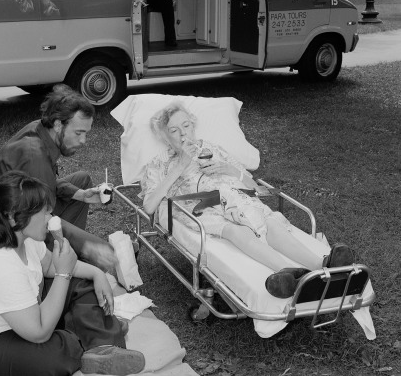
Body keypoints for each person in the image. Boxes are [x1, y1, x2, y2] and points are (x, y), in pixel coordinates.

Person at [0, 171, 145, 376]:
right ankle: (87, 337)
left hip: (23, 318)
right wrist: (63, 273)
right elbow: (38, 333)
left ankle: (103, 345)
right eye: (44, 213)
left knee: (83, 283)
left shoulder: (23, 236)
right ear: (13, 215)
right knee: (56, 354)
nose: (51, 218)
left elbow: (47, 264)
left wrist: (97, 273)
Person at [140, 103, 354, 299]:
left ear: (193, 125)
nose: (183, 134)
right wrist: (180, 166)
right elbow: (149, 206)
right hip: (201, 207)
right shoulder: (159, 164)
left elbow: (257, 189)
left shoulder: (213, 150)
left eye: (186, 125)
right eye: (174, 131)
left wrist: (233, 171)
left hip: (238, 197)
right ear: (166, 138)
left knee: (270, 224)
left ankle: (323, 263)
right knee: (237, 231)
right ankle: (290, 274)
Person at [0, 84, 116, 272]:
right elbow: (44, 219)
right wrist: (91, 247)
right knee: (98, 248)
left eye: (86, 133)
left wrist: (80, 194)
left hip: (22, 210)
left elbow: (44, 181)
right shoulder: (34, 155)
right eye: (78, 133)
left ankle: (68, 253)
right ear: (58, 124)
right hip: (10, 229)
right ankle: (61, 261)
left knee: (81, 180)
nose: (83, 141)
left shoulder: (39, 129)